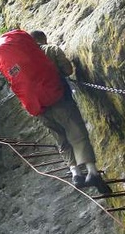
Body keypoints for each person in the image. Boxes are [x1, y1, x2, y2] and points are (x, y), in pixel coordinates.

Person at [28, 30, 111, 194]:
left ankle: (75, 173)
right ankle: (92, 172)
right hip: (60, 99)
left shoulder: (23, 60)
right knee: (76, 133)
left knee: (60, 138)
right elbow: (67, 70)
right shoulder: (50, 50)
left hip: (40, 108)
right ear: (42, 39)